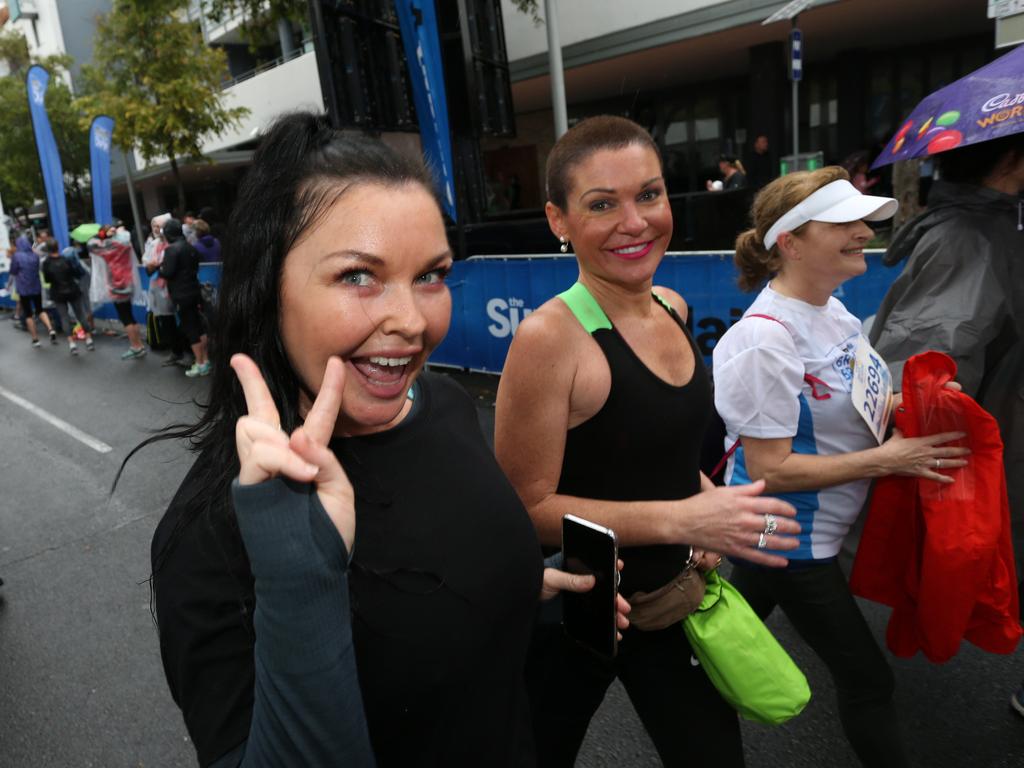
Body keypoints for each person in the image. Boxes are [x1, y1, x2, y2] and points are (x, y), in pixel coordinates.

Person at [144, 111, 628, 768]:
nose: (411, 321)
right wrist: (300, 578)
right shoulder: (211, 534)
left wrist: (521, 583)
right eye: (358, 276)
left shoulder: (444, 404)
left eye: (430, 274)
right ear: (267, 287)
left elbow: (426, 588)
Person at [494, 115, 801, 768]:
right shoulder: (549, 341)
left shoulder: (670, 305)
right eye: (602, 204)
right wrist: (683, 519)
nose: (635, 222)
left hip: (668, 605)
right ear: (559, 220)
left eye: (649, 194)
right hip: (577, 609)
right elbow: (521, 508)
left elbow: (656, 448)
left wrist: (704, 511)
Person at [713, 166, 970, 767]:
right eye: (845, 223)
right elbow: (770, 469)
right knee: (868, 680)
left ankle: (677, 679)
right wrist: (889, 460)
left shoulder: (834, 314)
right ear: (791, 242)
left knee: (720, 635)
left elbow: (865, 404)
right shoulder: (765, 340)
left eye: (863, 221)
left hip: (796, 531)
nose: (863, 232)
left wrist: (921, 401)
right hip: (787, 534)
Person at [866, 133, 1024, 717]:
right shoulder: (971, 237)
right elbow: (933, 347)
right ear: (1010, 158)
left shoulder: (984, 226)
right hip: (1000, 427)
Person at [159, 218, 210, 377]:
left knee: (191, 328)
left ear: (168, 233)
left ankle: (200, 363)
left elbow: (167, 272)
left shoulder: (171, 250)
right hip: (194, 290)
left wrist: (160, 267)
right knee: (199, 326)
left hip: (181, 294)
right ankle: (206, 360)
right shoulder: (190, 246)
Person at [90, 230, 147, 359]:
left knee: (125, 317)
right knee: (130, 316)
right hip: (128, 281)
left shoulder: (108, 250)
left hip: (116, 285)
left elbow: (91, 246)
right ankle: (140, 344)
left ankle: (135, 347)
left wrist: (99, 235)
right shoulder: (126, 246)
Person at [41, 244, 95, 354]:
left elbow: (47, 280)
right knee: (81, 315)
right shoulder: (66, 260)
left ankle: (72, 344)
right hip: (72, 290)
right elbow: (77, 274)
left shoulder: (46, 263)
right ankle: (89, 340)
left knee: (64, 317)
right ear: (57, 248)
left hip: (57, 293)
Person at [9, 234, 56, 348]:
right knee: (40, 310)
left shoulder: (17, 256)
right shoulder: (35, 255)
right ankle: (50, 329)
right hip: (36, 286)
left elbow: (13, 271)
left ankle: (35, 339)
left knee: (28, 314)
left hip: (24, 289)